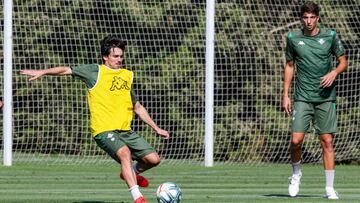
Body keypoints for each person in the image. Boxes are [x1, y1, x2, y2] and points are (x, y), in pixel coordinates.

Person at [20, 35, 170, 203]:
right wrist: (42, 72)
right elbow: (66, 70)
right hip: (103, 130)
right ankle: (138, 198)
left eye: (121, 56)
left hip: (125, 131)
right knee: (124, 153)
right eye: (115, 56)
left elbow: (137, 107)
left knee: (153, 160)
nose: (119, 59)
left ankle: (130, 173)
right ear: (105, 56)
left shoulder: (127, 75)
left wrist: (156, 128)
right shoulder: (94, 71)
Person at [282, 1, 347, 199]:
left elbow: (343, 61)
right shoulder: (293, 38)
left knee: (327, 141)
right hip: (302, 97)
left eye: (312, 17)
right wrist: (285, 94)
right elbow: (290, 65)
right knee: (296, 140)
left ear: (318, 18)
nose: (309, 21)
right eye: (305, 17)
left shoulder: (331, 36)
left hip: (325, 98)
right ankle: (296, 174)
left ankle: (329, 188)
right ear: (301, 19)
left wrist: (334, 73)